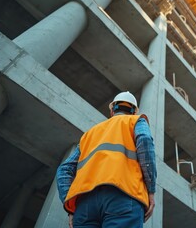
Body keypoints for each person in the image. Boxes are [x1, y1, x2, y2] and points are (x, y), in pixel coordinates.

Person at [56, 91, 157, 228]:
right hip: (123, 196)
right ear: (134, 111)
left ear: (112, 110)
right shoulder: (136, 121)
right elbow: (144, 141)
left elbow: (64, 170)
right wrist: (151, 190)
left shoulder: (89, 134)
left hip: (85, 205)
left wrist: (71, 208)